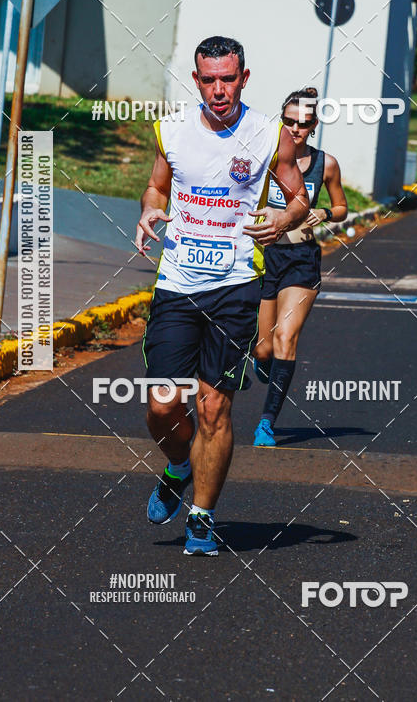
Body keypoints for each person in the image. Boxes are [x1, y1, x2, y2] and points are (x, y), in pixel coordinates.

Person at [135, 36, 309, 556]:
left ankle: (203, 517)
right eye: (208, 79)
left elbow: (299, 197)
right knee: (163, 406)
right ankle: (178, 467)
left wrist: (284, 218)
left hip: (235, 286)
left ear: (244, 77)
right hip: (178, 284)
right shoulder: (173, 131)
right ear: (196, 80)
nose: (218, 89)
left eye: (227, 79)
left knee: (213, 409)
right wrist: (148, 209)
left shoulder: (268, 134)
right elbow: (157, 188)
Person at [252, 87, 348, 447]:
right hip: (266, 257)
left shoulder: (327, 164)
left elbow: (342, 208)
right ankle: (265, 362)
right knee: (263, 349)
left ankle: (266, 423)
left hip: (302, 260)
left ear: (314, 125)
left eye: (303, 124)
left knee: (285, 338)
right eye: (289, 122)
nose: (294, 129)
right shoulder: (265, 158)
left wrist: (323, 212)